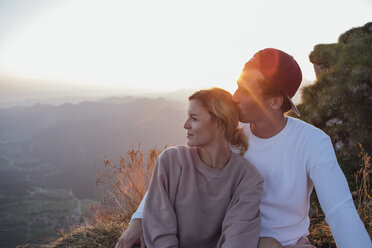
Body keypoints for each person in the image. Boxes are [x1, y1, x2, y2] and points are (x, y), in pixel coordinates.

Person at [116, 48, 372, 248]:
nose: (235, 96)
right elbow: (174, 173)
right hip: (227, 239)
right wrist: (138, 219)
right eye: (238, 84)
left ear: (274, 101)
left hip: (283, 243)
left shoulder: (312, 142)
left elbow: (340, 210)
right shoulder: (231, 134)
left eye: (246, 90)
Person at [116, 88, 264, 248]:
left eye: (194, 118)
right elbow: (159, 227)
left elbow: (238, 239)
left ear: (219, 122)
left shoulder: (248, 179)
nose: (186, 125)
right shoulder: (171, 161)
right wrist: (137, 221)